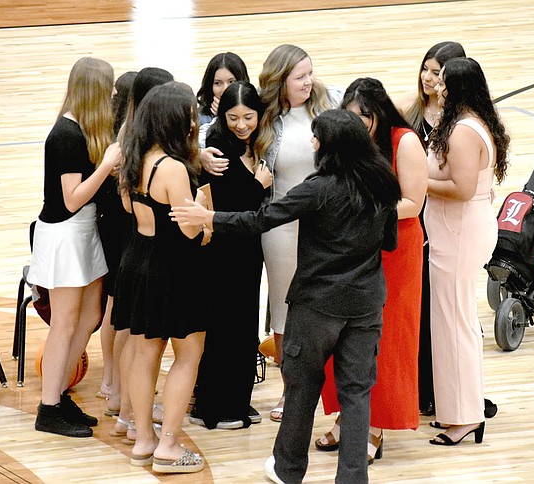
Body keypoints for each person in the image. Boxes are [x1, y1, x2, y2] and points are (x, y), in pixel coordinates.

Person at [172, 108, 401, 484]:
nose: (312, 143)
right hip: (365, 305)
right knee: (357, 395)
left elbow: (260, 219)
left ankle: (288, 469)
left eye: (316, 138)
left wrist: (208, 218)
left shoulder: (319, 187)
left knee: (301, 388)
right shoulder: (382, 184)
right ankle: (353, 478)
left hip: (317, 306)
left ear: (330, 146)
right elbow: (389, 243)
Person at [317, 77, 427, 464]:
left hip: (396, 248)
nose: (359, 124)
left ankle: (374, 427)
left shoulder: (405, 141)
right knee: (343, 338)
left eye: (365, 117)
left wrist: (362, 212)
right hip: (355, 247)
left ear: (379, 112)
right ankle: (346, 419)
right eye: (352, 117)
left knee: (387, 340)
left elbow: (413, 202)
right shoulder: (349, 141)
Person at [113, 82, 208, 474]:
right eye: (189, 114)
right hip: (174, 269)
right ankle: (168, 446)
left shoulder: (130, 161)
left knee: (143, 350)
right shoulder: (172, 168)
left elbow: (130, 212)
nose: (194, 121)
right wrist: (204, 212)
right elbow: (191, 231)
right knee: (188, 354)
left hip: (137, 260)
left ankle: (144, 439)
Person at [27, 56, 122, 438]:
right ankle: (48, 408)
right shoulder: (65, 134)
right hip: (64, 233)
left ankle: (60, 393)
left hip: (84, 233)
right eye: (110, 86)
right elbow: (71, 198)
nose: (115, 92)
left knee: (89, 316)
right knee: (65, 323)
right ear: (95, 91)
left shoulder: (86, 127)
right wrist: (107, 165)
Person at [254, 43, 341, 422]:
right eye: (299, 76)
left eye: (310, 73)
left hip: (327, 223)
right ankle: (292, 393)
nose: (309, 81)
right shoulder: (263, 117)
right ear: (280, 81)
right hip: (282, 226)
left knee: (326, 306)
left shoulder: (329, 102)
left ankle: (335, 393)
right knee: (285, 312)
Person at [425, 57, 510, 446]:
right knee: (451, 323)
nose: (437, 87)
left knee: (455, 324)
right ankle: (458, 410)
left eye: (442, 82)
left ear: (456, 88)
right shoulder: (472, 122)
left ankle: (466, 417)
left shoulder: (462, 131)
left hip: (458, 233)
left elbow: (459, 189)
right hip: (456, 231)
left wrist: (416, 182)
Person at [189, 81, 272, 430]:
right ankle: (213, 406)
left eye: (248, 117)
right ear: (222, 116)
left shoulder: (253, 143)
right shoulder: (220, 148)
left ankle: (237, 400)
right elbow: (232, 207)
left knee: (243, 326)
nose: (241, 124)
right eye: (233, 117)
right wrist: (259, 185)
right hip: (223, 253)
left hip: (248, 250)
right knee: (223, 327)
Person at [396, 41, 466, 417]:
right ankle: (419, 388)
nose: (429, 77)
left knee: (441, 307)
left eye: (438, 72)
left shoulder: (461, 121)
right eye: (426, 68)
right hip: (414, 217)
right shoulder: (409, 107)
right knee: (418, 303)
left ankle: (443, 390)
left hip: (445, 217)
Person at [105, 66, 175, 439]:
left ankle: (123, 405)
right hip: (141, 234)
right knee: (137, 334)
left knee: (128, 326)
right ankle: (130, 409)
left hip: (134, 232)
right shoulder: (149, 145)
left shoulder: (130, 134)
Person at [96, 69, 138, 403]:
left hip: (106, 225)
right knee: (119, 304)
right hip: (124, 226)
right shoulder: (128, 140)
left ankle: (110, 378)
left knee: (112, 300)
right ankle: (114, 381)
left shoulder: (104, 134)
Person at [398, 41, 466, 149]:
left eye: (435, 73)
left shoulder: (465, 118)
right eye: (425, 69)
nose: (426, 77)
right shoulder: (406, 106)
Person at [196, 52, 250, 126]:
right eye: (218, 83)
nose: (225, 89)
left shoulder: (255, 111)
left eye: (231, 82)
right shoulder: (201, 120)